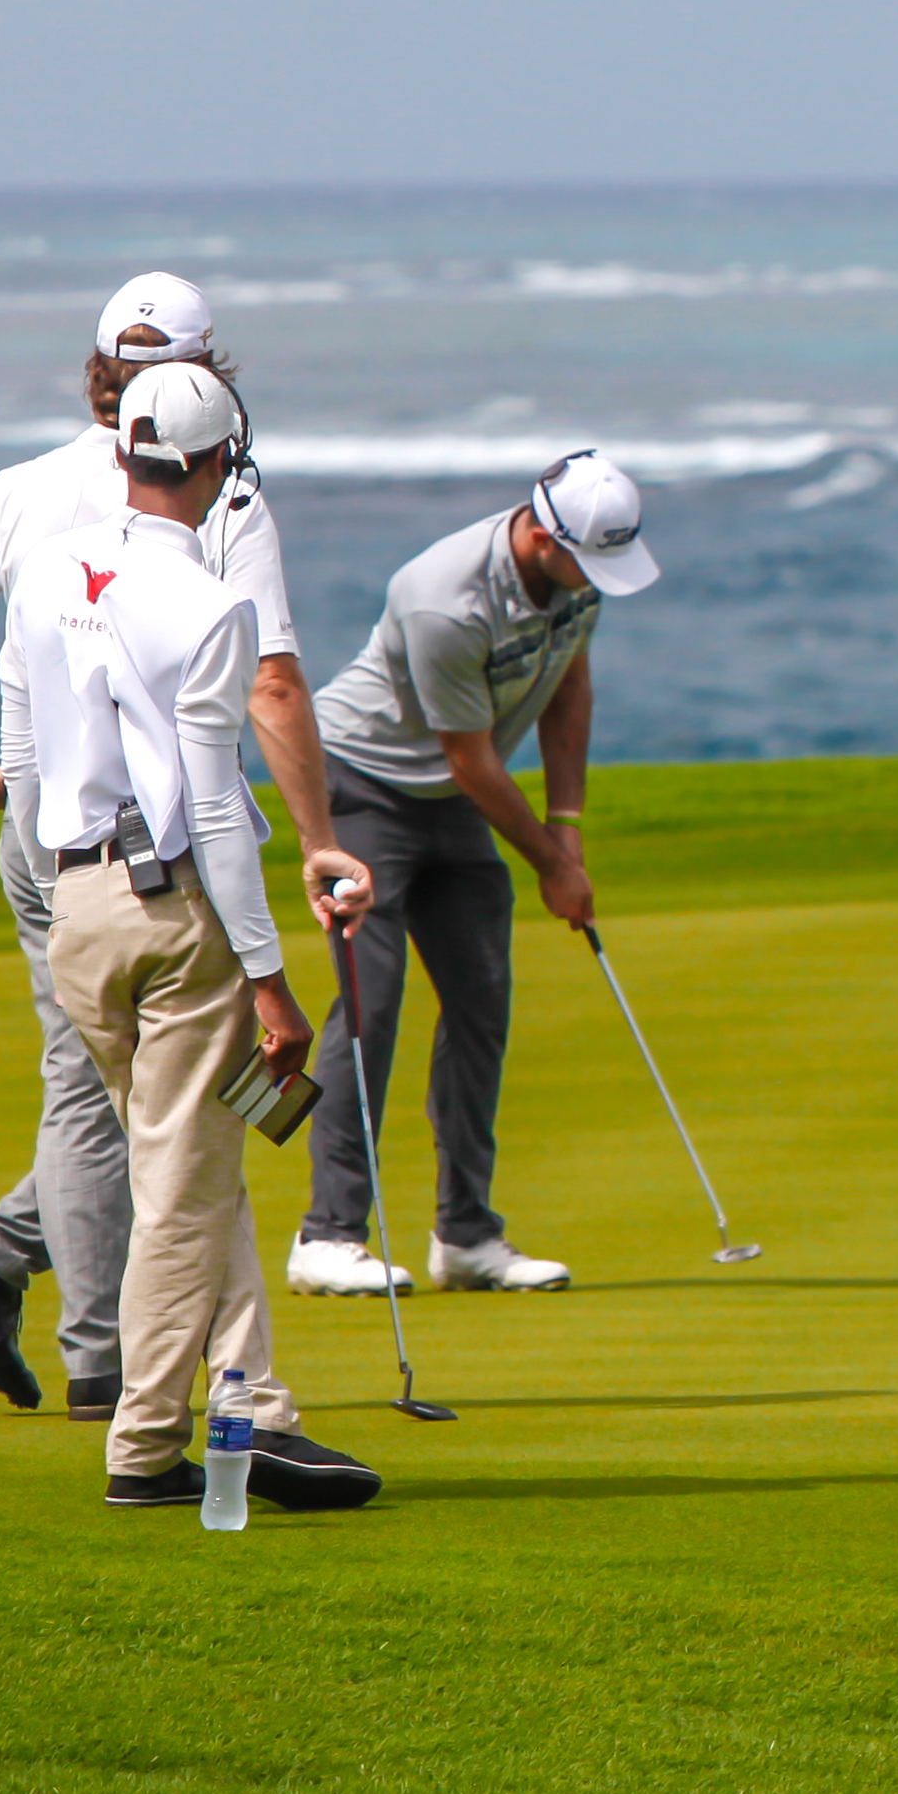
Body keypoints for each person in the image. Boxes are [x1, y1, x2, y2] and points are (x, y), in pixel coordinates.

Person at [0, 272, 364, 1424]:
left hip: (44, 832)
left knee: (98, 1084)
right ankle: (112, 1375)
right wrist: (319, 839)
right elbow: (273, 686)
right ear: (210, 384)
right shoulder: (223, 498)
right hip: (165, 849)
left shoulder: (25, 490)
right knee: (135, 1107)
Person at [12, 361, 380, 1512]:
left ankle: (254, 1410)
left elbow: (25, 738)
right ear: (222, 466)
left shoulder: (45, 569)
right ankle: (146, 1446)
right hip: (174, 913)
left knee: (196, 1166)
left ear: (125, 450)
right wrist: (272, 982)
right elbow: (217, 808)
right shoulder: (214, 605)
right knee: (182, 1186)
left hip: (73, 903)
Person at [289, 452, 660, 1297]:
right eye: (586, 564)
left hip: (450, 794)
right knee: (371, 1000)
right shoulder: (443, 598)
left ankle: (466, 1234)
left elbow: (571, 690)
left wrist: (567, 829)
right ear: (539, 533)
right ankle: (328, 1234)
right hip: (361, 784)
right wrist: (551, 867)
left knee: (481, 997)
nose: (594, 583)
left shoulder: (578, 580)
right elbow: (471, 759)